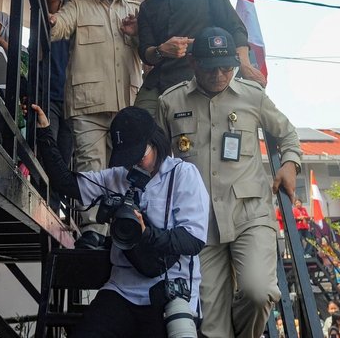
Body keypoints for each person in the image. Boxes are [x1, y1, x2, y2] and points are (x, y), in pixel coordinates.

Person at [156, 26, 302, 338]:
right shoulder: (171, 102)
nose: (221, 75)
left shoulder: (253, 97)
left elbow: (287, 133)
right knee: (209, 321)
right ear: (194, 64)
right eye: (212, 68)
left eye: (227, 68)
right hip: (198, 224)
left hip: (249, 213)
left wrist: (290, 163)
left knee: (259, 291)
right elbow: (157, 159)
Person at [32, 103, 209, 337]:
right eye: (128, 159)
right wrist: (45, 133)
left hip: (170, 292)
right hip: (121, 289)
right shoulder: (117, 177)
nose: (134, 165)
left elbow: (193, 241)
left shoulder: (183, 175)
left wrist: (146, 233)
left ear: (155, 143)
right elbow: (67, 183)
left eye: (139, 157)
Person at [49, 0, 142, 248]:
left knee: (125, 170)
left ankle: (121, 226)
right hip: (87, 104)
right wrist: (50, 21)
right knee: (91, 165)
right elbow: (60, 25)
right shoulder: (77, 6)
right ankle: (93, 230)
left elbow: (151, 53)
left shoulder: (137, 12)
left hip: (127, 107)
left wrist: (138, 35)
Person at [133, 0, 266, 115]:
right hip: (158, 82)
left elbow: (236, 29)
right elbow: (146, 52)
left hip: (201, 79)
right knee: (135, 125)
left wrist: (245, 66)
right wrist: (161, 50)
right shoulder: (147, 7)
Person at [44, 0, 73, 212]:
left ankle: (54, 202)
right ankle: (46, 197)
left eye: (50, 2)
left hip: (73, 100)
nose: (46, 7)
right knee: (48, 146)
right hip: (50, 96)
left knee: (64, 154)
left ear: (61, 4)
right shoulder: (45, 28)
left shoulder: (74, 28)